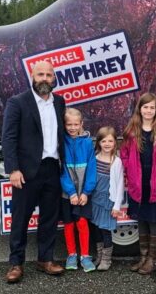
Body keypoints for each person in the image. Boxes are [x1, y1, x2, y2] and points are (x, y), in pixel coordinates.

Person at [1, 61, 66, 283]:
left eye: (49, 75)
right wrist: (13, 169)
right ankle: (16, 263)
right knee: (20, 219)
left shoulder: (59, 102)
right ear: (32, 75)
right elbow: (8, 138)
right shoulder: (18, 102)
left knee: (49, 218)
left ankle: (45, 259)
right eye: (40, 74)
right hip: (27, 171)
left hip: (52, 168)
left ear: (54, 77)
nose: (45, 78)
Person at [120, 92, 156, 275]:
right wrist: (129, 169)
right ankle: (143, 257)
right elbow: (125, 154)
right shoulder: (131, 130)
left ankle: (153, 259)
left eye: (152, 107)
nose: (149, 110)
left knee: (153, 219)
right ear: (140, 109)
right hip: (138, 182)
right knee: (141, 218)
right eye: (145, 107)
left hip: (155, 182)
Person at [60, 108, 97, 272]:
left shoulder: (88, 143)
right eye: (69, 124)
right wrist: (71, 192)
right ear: (64, 125)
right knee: (68, 224)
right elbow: (61, 170)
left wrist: (85, 192)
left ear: (81, 124)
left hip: (83, 194)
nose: (72, 128)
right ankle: (72, 254)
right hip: (67, 194)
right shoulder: (60, 143)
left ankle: (85, 255)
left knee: (82, 222)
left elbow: (92, 169)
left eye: (76, 124)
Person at [89, 126, 124, 271]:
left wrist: (117, 206)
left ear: (115, 142)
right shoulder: (94, 158)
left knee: (105, 230)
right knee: (96, 229)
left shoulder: (116, 162)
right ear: (98, 142)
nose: (107, 144)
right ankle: (99, 256)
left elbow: (120, 184)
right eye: (104, 141)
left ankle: (106, 259)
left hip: (108, 201)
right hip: (94, 200)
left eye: (110, 141)